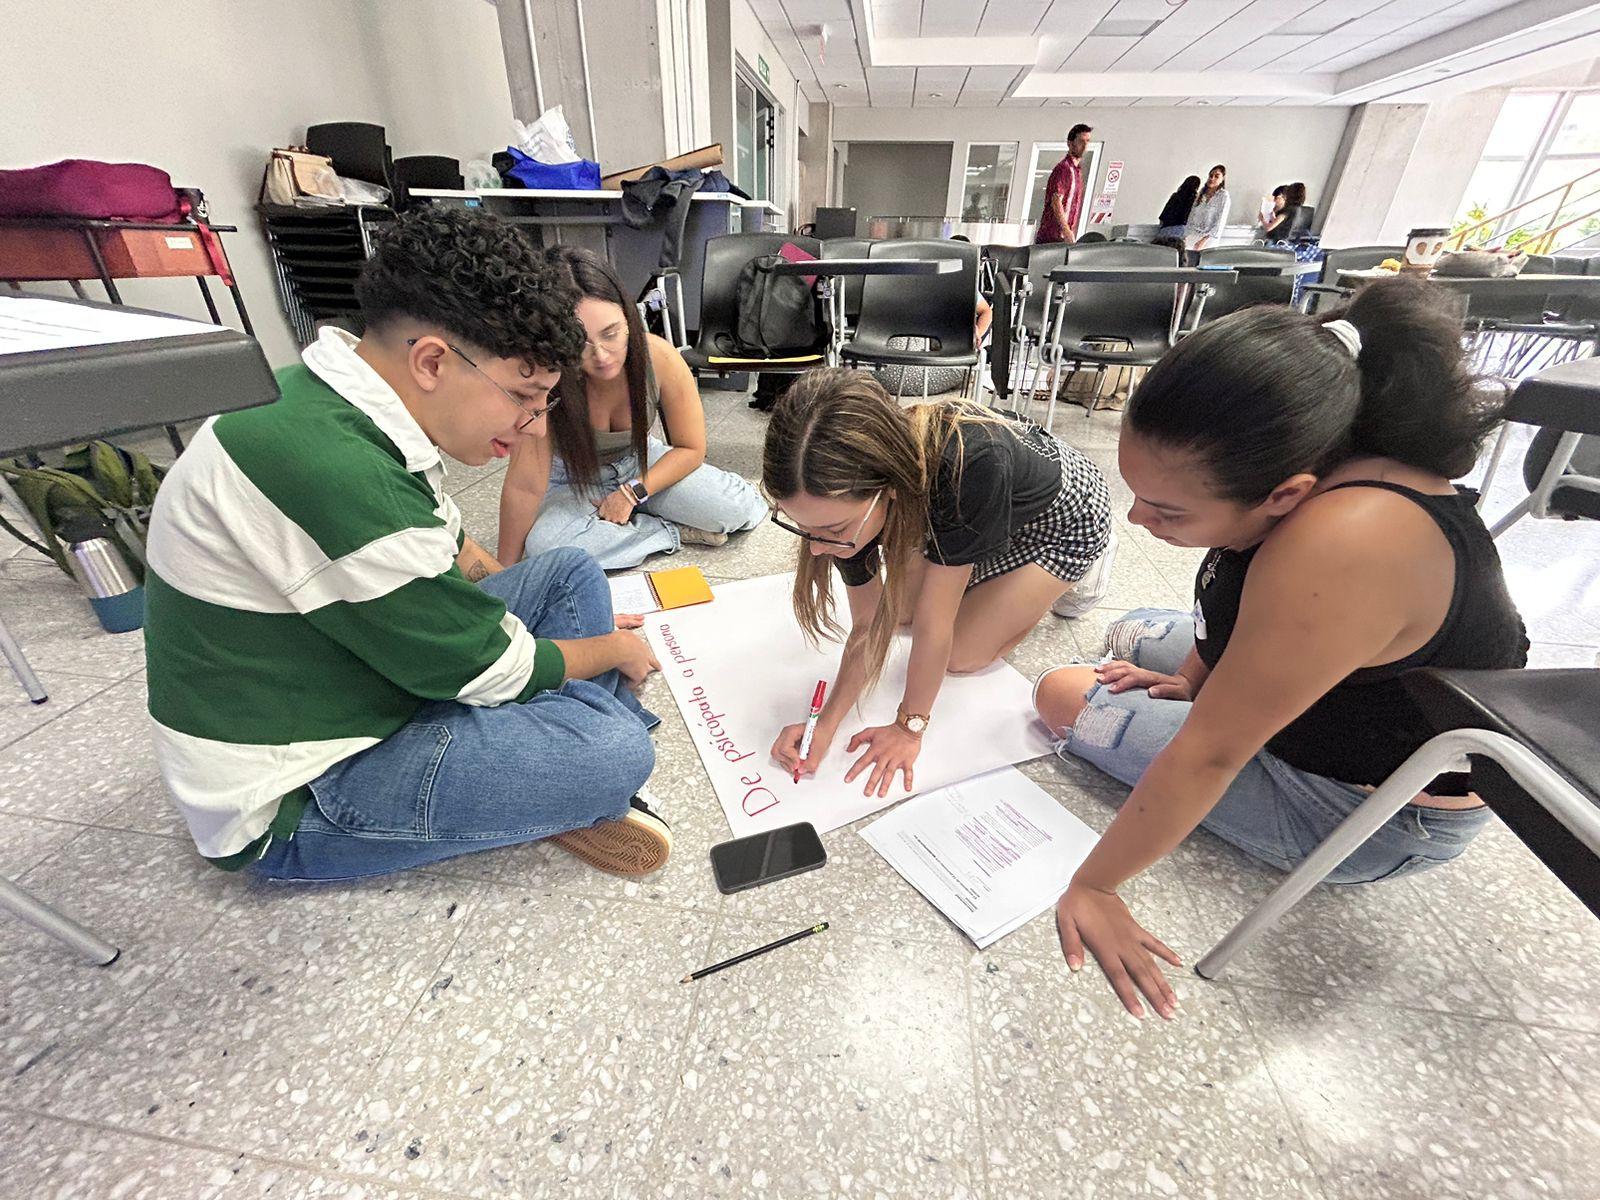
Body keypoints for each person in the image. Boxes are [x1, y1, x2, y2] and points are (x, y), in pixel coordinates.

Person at [1032, 276, 1527, 1020]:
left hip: (1375, 812)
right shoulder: (1332, 442)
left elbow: (1210, 754)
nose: (1137, 519)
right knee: (1130, 630)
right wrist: (1196, 678)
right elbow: (1224, 605)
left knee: (1062, 694)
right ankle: (1192, 678)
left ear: (1287, 496)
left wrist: (1095, 885)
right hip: (1349, 706)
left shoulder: (1342, 544)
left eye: (1168, 510)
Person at [144, 207, 670, 881]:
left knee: (566, 572)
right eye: (524, 397)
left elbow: (456, 558)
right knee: (617, 754)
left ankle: (542, 770)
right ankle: (571, 780)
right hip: (298, 797)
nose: (533, 429)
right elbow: (495, 669)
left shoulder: (332, 397)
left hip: (345, 672)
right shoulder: (339, 473)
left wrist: (542, 641)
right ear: (431, 361)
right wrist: (613, 649)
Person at [764, 369, 1114, 797]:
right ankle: (977, 562)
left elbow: (935, 626)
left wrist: (909, 728)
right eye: (804, 528)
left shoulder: (970, 467)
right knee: (902, 612)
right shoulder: (837, 506)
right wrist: (825, 723)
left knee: (962, 655)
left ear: (886, 488)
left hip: (1061, 519)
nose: (818, 549)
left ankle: (1083, 570)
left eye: (833, 530)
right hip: (968, 507)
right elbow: (869, 623)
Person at [499, 247, 767, 571]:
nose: (601, 354)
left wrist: (633, 492)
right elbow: (524, 484)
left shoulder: (659, 357)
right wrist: (503, 574)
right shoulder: (547, 373)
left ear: (628, 316)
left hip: (638, 463)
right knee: (545, 547)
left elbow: (692, 448)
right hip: (570, 477)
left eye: (610, 334)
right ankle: (668, 530)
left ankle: (629, 515)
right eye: (579, 342)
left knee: (735, 509)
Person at [1034, 124, 1092, 246]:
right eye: (1081, 141)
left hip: (1063, 238)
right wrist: (1066, 230)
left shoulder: (1077, 172)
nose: (1085, 146)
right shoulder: (1064, 169)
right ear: (1070, 144)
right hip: (1052, 237)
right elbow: (1056, 201)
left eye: (1087, 141)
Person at [1184, 164, 1231, 251]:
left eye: (1216, 176)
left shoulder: (1223, 196)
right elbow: (1191, 217)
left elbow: (1220, 221)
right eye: (1211, 176)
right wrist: (1185, 236)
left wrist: (1204, 240)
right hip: (1192, 235)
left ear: (1222, 179)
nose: (1212, 178)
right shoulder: (1201, 193)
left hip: (1209, 238)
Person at [1156, 175, 1201, 242]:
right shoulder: (1193, 199)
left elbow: (1162, 217)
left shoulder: (1175, 196)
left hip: (1164, 231)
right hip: (1180, 230)